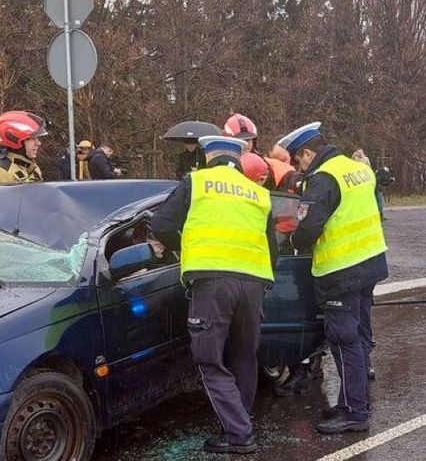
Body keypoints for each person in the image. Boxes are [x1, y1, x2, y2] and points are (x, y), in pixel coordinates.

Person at [150, 135, 275, 454]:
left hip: (213, 282)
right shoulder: (258, 193)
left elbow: (161, 225)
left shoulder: (196, 181)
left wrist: (185, 247)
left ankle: (239, 433)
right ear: (237, 158)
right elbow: (272, 249)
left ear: (208, 157)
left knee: (208, 358)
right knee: (244, 356)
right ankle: (239, 421)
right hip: (254, 284)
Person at [279, 122, 388, 434]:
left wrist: (292, 239)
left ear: (307, 152)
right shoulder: (358, 169)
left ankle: (354, 412)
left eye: (298, 160)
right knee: (361, 336)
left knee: (343, 339)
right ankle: (353, 402)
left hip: (342, 270)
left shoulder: (323, 179)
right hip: (370, 263)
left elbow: (307, 231)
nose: (299, 166)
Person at [0, 111, 47, 186]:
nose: (38, 143)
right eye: (32, 138)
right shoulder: (0, 173)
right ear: (14, 139)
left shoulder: (28, 167)